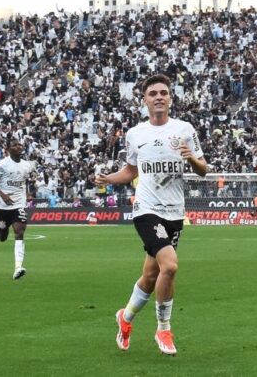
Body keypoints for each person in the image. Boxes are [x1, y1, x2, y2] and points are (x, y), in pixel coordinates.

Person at [95, 74, 207, 356]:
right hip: (145, 209)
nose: (159, 97)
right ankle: (164, 328)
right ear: (144, 99)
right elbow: (131, 171)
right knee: (169, 266)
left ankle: (126, 318)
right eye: (153, 93)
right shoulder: (136, 134)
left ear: (170, 98)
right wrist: (109, 178)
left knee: (150, 275)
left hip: (174, 212)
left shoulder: (184, 129)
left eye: (164, 93)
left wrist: (191, 158)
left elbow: (203, 168)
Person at [0, 138, 37, 280]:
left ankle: (18, 267)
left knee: (19, 232)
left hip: (19, 204)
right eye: (15, 145)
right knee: (3, 237)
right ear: (8, 149)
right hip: (3, 206)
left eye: (20, 144)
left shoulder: (27, 165)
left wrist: (27, 193)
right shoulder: (2, 164)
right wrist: (2, 195)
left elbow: (25, 181)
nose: (19, 146)